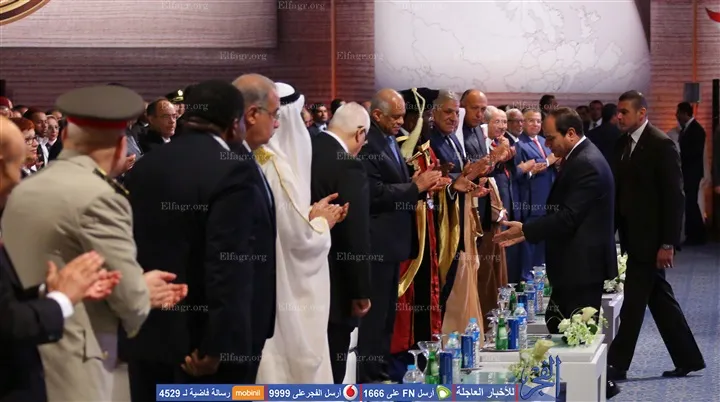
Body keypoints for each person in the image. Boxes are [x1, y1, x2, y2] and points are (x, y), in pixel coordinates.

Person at [0, 85, 187, 402]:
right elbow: (129, 298)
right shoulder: (101, 196)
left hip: (20, 352)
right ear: (120, 146)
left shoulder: (29, 186)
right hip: (74, 353)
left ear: (66, 136)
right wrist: (142, 291)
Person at [123, 80, 272, 399]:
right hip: (203, 347)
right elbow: (227, 264)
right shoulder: (233, 171)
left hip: (149, 335)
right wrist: (216, 344)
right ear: (234, 124)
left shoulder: (144, 167)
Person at [493, 107, 619, 397]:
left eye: (550, 138)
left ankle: (595, 390)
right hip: (576, 264)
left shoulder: (586, 162)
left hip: (582, 266)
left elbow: (568, 217)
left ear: (571, 133)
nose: (546, 144)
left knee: (575, 340)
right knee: (561, 327)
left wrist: (526, 230)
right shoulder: (580, 157)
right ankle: (594, 388)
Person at [608, 90, 705, 382]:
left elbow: (675, 198)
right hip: (632, 237)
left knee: (634, 301)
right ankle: (688, 358)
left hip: (651, 241)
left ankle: (617, 364)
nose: (619, 117)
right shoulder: (622, 144)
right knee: (660, 300)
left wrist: (667, 243)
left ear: (642, 113)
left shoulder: (661, 144)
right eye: (618, 112)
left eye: (624, 112)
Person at [255, 83, 344, 384]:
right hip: (282, 286)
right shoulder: (275, 167)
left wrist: (309, 213)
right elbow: (299, 239)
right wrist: (321, 223)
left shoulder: (260, 159)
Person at [356, 88, 443, 383]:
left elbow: (396, 183)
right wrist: (415, 187)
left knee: (386, 317)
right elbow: (373, 194)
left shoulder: (389, 139)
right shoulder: (368, 144)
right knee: (375, 318)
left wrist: (419, 185)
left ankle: (380, 373)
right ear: (376, 114)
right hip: (377, 244)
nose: (401, 122)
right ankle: (369, 378)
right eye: (394, 117)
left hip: (393, 243)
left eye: (402, 115)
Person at [310, 102, 372, 383]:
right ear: (360, 134)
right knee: (333, 365)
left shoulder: (305, 149)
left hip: (300, 280)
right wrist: (360, 291)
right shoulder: (348, 165)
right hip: (335, 283)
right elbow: (355, 233)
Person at [676, 101, 707, 245]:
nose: (676, 116)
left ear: (684, 113)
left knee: (691, 203)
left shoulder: (696, 130)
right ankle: (694, 234)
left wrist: (679, 156)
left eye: (678, 113)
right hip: (688, 172)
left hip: (692, 173)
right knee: (689, 203)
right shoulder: (686, 129)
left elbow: (694, 153)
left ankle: (698, 234)